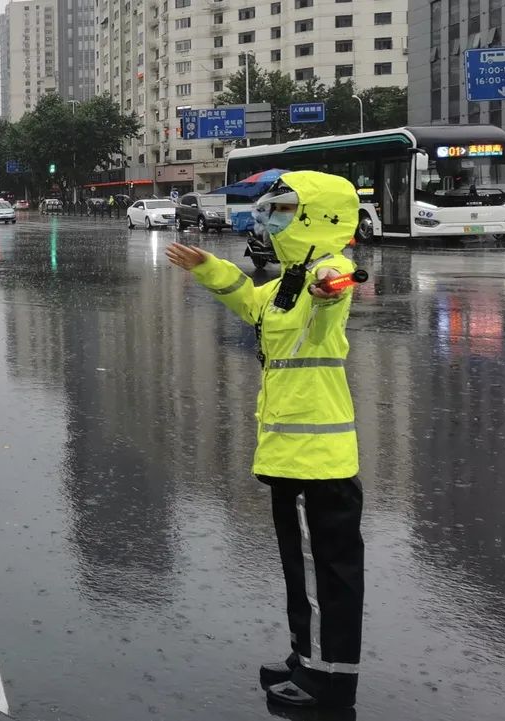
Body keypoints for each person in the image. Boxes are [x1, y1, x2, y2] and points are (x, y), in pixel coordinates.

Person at [166, 170, 364, 710]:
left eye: (282, 210)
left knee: (328, 577)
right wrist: (209, 268)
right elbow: (253, 305)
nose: (270, 220)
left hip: (318, 460)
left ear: (314, 217)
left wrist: (330, 286)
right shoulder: (287, 282)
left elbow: (337, 284)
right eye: (269, 210)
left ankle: (329, 680)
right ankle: (306, 657)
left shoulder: (327, 272)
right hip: (290, 453)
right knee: (300, 569)